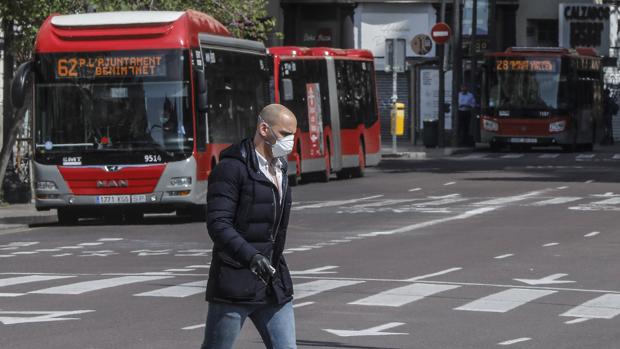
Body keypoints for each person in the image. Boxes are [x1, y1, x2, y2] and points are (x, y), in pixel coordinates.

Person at [201, 104, 298, 349]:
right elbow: (218, 224)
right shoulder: (231, 169)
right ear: (264, 129)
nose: (290, 142)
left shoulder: (281, 168)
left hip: (272, 282)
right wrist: (251, 257)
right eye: (285, 134)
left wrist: (269, 262)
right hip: (235, 282)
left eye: (293, 135)